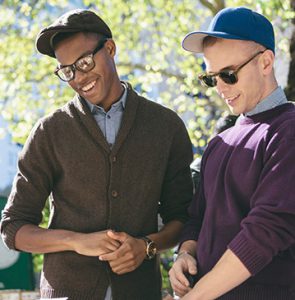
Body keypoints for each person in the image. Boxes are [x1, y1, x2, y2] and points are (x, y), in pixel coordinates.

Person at [0, 9, 193, 300]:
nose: (79, 77)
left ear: (111, 49)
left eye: (85, 62)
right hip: (66, 293)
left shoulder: (166, 126)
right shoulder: (49, 132)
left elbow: (183, 218)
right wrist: (77, 241)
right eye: (67, 71)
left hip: (140, 292)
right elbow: (13, 228)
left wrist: (146, 246)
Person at [169, 6, 295, 299]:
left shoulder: (287, 131)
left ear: (265, 62)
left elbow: (265, 232)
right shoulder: (219, 143)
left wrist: (195, 297)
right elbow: (197, 219)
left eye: (228, 74)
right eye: (211, 78)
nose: (220, 88)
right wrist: (185, 253)